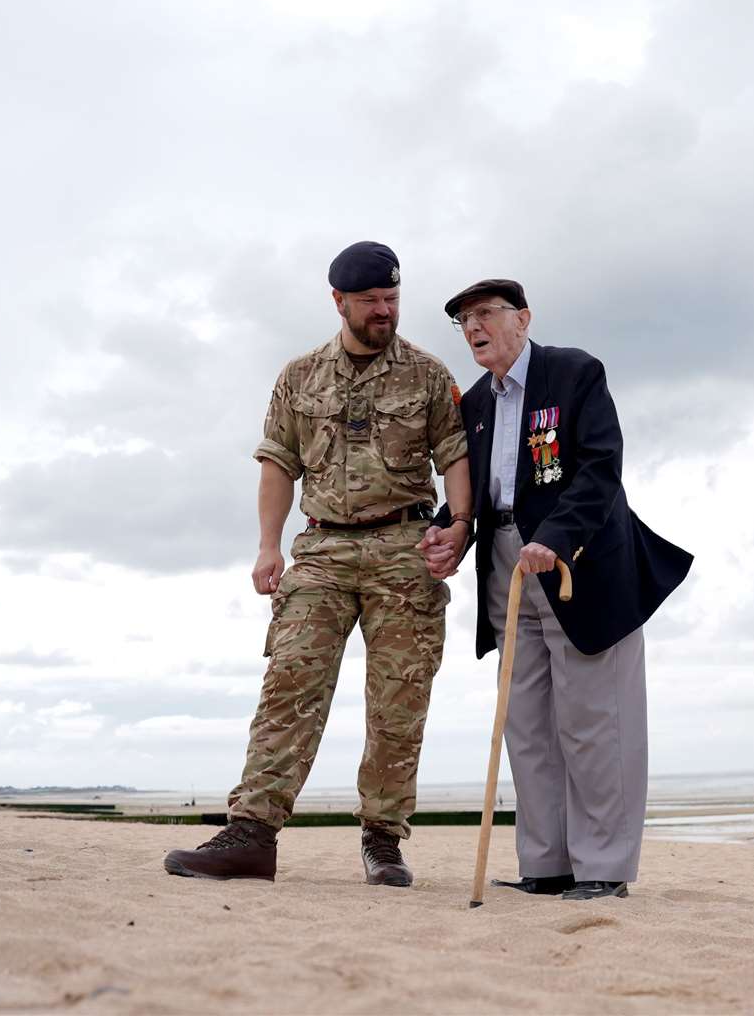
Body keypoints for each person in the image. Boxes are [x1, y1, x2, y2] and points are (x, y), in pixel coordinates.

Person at [164, 241, 472, 887]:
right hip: (323, 549)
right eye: (370, 302)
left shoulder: (425, 374)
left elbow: (454, 454)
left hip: (404, 549)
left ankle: (383, 840)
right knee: (289, 684)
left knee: (398, 700)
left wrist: (461, 526)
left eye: (391, 299)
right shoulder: (300, 376)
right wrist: (267, 546)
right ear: (340, 302)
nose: (383, 311)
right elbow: (279, 460)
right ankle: (252, 833)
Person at [420, 279, 692, 900]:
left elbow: (600, 467)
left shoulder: (574, 374)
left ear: (523, 319)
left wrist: (558, 537)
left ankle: (603, 868)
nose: (474, 329)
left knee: (596, 723)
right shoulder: (475, 406)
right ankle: (547, 865)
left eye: (485, 315)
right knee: (527, 724)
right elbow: (474, 495)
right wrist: (447, 533)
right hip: (508, 572)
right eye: (464, 321)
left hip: (582, 567)